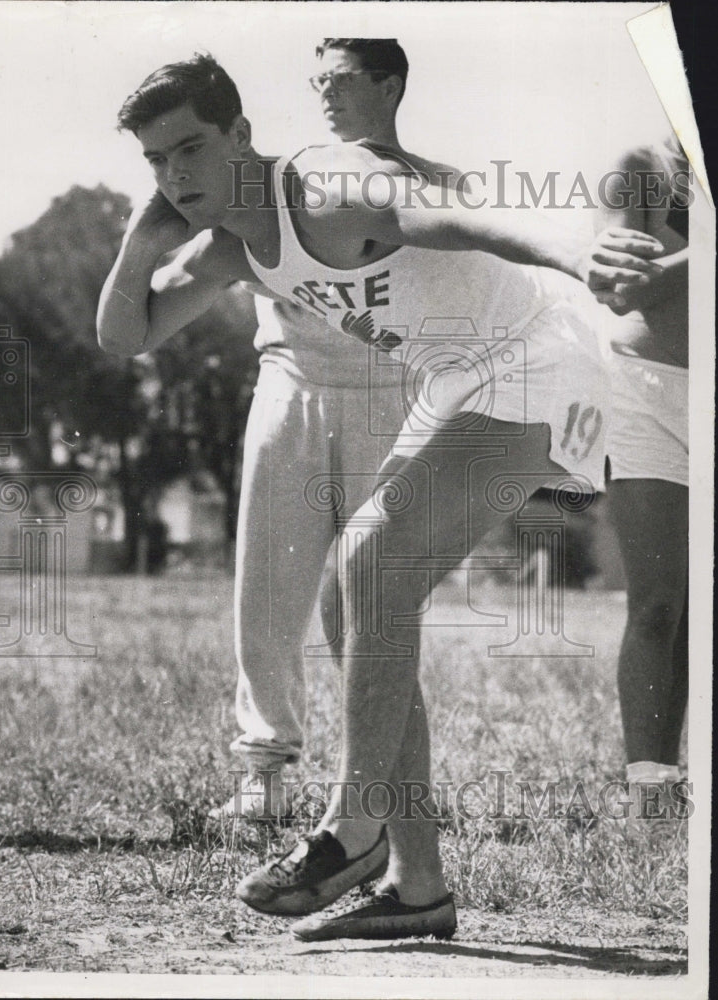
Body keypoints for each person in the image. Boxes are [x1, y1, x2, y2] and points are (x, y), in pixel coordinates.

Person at [97, 51, 662, 940]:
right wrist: (140, 238)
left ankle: (350, 827)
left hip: (543, 359)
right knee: (346, 602)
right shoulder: (233, 249)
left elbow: (443, 216)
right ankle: (416, 885)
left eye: (193, 148)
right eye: (158, 160)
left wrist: (573, 250)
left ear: (242, 134)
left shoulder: (325, 185)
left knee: (375, 557)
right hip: (460, 380)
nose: (177, 173)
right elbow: (126, 334)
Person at [219, 40, 416, 820]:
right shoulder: (287, 175)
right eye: (317, 80)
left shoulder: (420, 181)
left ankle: (379, 785)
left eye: (339, 78)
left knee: (379, 596)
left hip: (389, 393)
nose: (323, 93)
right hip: (291, 384)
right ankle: (261, 775)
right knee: (269, 589)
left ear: (387, 84)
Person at [593, 135, 689, 816]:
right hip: (644, 390)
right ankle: (652, 796)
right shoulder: (640, 167)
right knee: (656, 604)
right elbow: (622, 290)